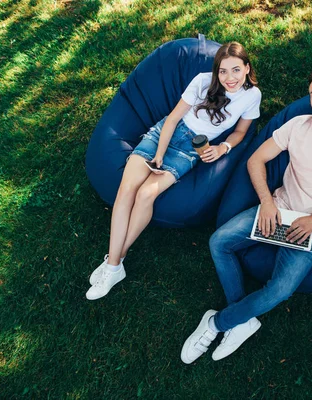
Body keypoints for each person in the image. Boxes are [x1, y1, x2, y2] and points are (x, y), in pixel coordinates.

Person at [181, 67, 312, 363]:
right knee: (218, 242)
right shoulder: (298, 125)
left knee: (280, 290)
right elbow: (256, 159)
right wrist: (267, 203)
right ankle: (242, 319)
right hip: (278, 210)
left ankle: (216, 323)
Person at [86, 42, 262, 300]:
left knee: (147, 194)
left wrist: (223, 148)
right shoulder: (203, 81)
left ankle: (114, 262)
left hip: (191, 149)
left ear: (247, 68)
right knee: (127, 188)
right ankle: (114, 264)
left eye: (236, 70)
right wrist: (157, 155)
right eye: (223, 72)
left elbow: (240, 133)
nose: (229, 78)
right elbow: (171, 119)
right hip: (164, 134)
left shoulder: (252, 96)